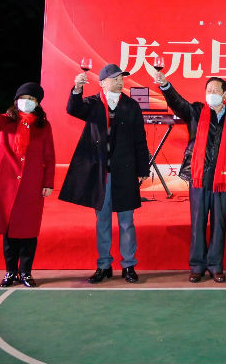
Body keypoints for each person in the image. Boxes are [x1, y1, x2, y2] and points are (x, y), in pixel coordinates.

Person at [59, 63, 150, 284]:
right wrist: (77, 89)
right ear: (102, 83)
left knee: (127, 221)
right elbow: (73, 109)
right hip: (101, 174)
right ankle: (104, 265)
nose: (119, 82)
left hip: (125, 172)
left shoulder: (131, 105)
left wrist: (142, 168)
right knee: (103, 221)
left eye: (121, 78)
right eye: (115, 78)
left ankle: (129, 265)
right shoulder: (92, 104)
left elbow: (140, 138)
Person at [155, 73, 226, 283]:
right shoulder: (196, 111)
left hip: (221, 179)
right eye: (208, 90)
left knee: (219, 224)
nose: (211, 94)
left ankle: (215, 266)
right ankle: (197, 266)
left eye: (215, 91)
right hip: (198, 177)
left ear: (225, 94)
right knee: (197, 223)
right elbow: (178, 104)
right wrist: (166, 86)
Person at [0, 81, 55, 288]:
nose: (26, 101)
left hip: (31, 184)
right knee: (8, 231)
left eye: (31, 99)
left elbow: (49, 156)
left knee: (29, 230)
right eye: (23, 98)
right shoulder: (6, 122)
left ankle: (26, 272)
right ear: (16, 101)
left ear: (38, 103)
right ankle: (10, 272)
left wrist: (48, 183)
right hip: (6, 184)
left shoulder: (43, 126)